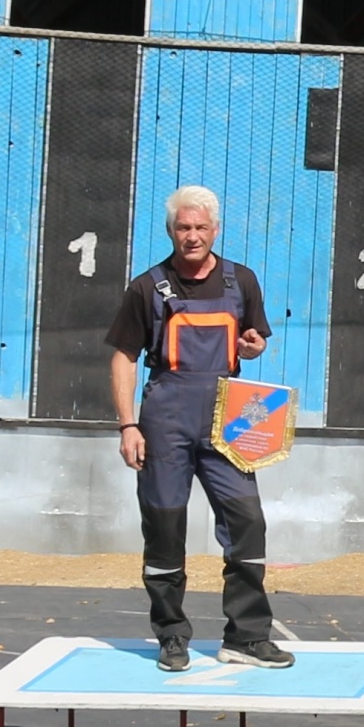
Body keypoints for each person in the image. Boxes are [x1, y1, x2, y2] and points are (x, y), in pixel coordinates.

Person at [107, 185, 295, 673]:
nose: (192, 236)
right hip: (165, 419)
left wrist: (253, 349)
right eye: (183, 228)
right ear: (171, 231)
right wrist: (128, 424)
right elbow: (124, 357)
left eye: (200, 227)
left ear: (216, 229)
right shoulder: (147, 287)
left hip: (227, 420)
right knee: (165, 526)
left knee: (247, 523)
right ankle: (171, 635)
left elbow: (253, 343)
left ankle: (247, 638)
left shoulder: (241, 281)